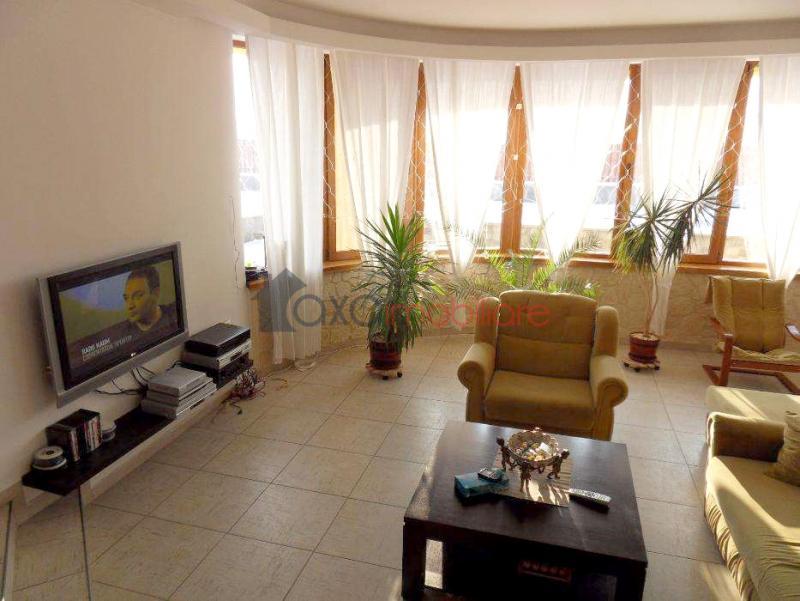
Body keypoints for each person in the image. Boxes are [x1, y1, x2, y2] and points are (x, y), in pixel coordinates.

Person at [123, 267, 177, 335]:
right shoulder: (121, 333)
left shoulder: (175, 314)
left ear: (155, 293)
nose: (130, 306)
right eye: (126, 298)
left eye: (138, 296)